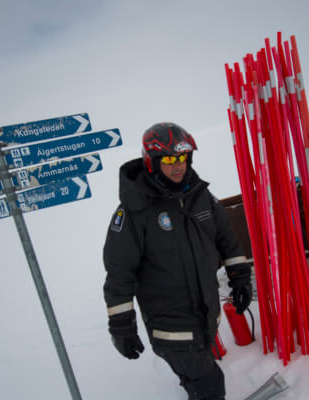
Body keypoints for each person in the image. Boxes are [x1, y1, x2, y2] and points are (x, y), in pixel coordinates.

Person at [103, 122, 252, 400]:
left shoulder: (201, 197)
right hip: (172, 328)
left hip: (205, 316)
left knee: (199, 375)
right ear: (152, 161)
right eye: (169, 159)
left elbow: (227, 240)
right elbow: (119, 272)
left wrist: (241, 278)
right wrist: (121, 325)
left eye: (182, 157)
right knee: (209, 385)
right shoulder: (134, 213)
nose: (178, 165)